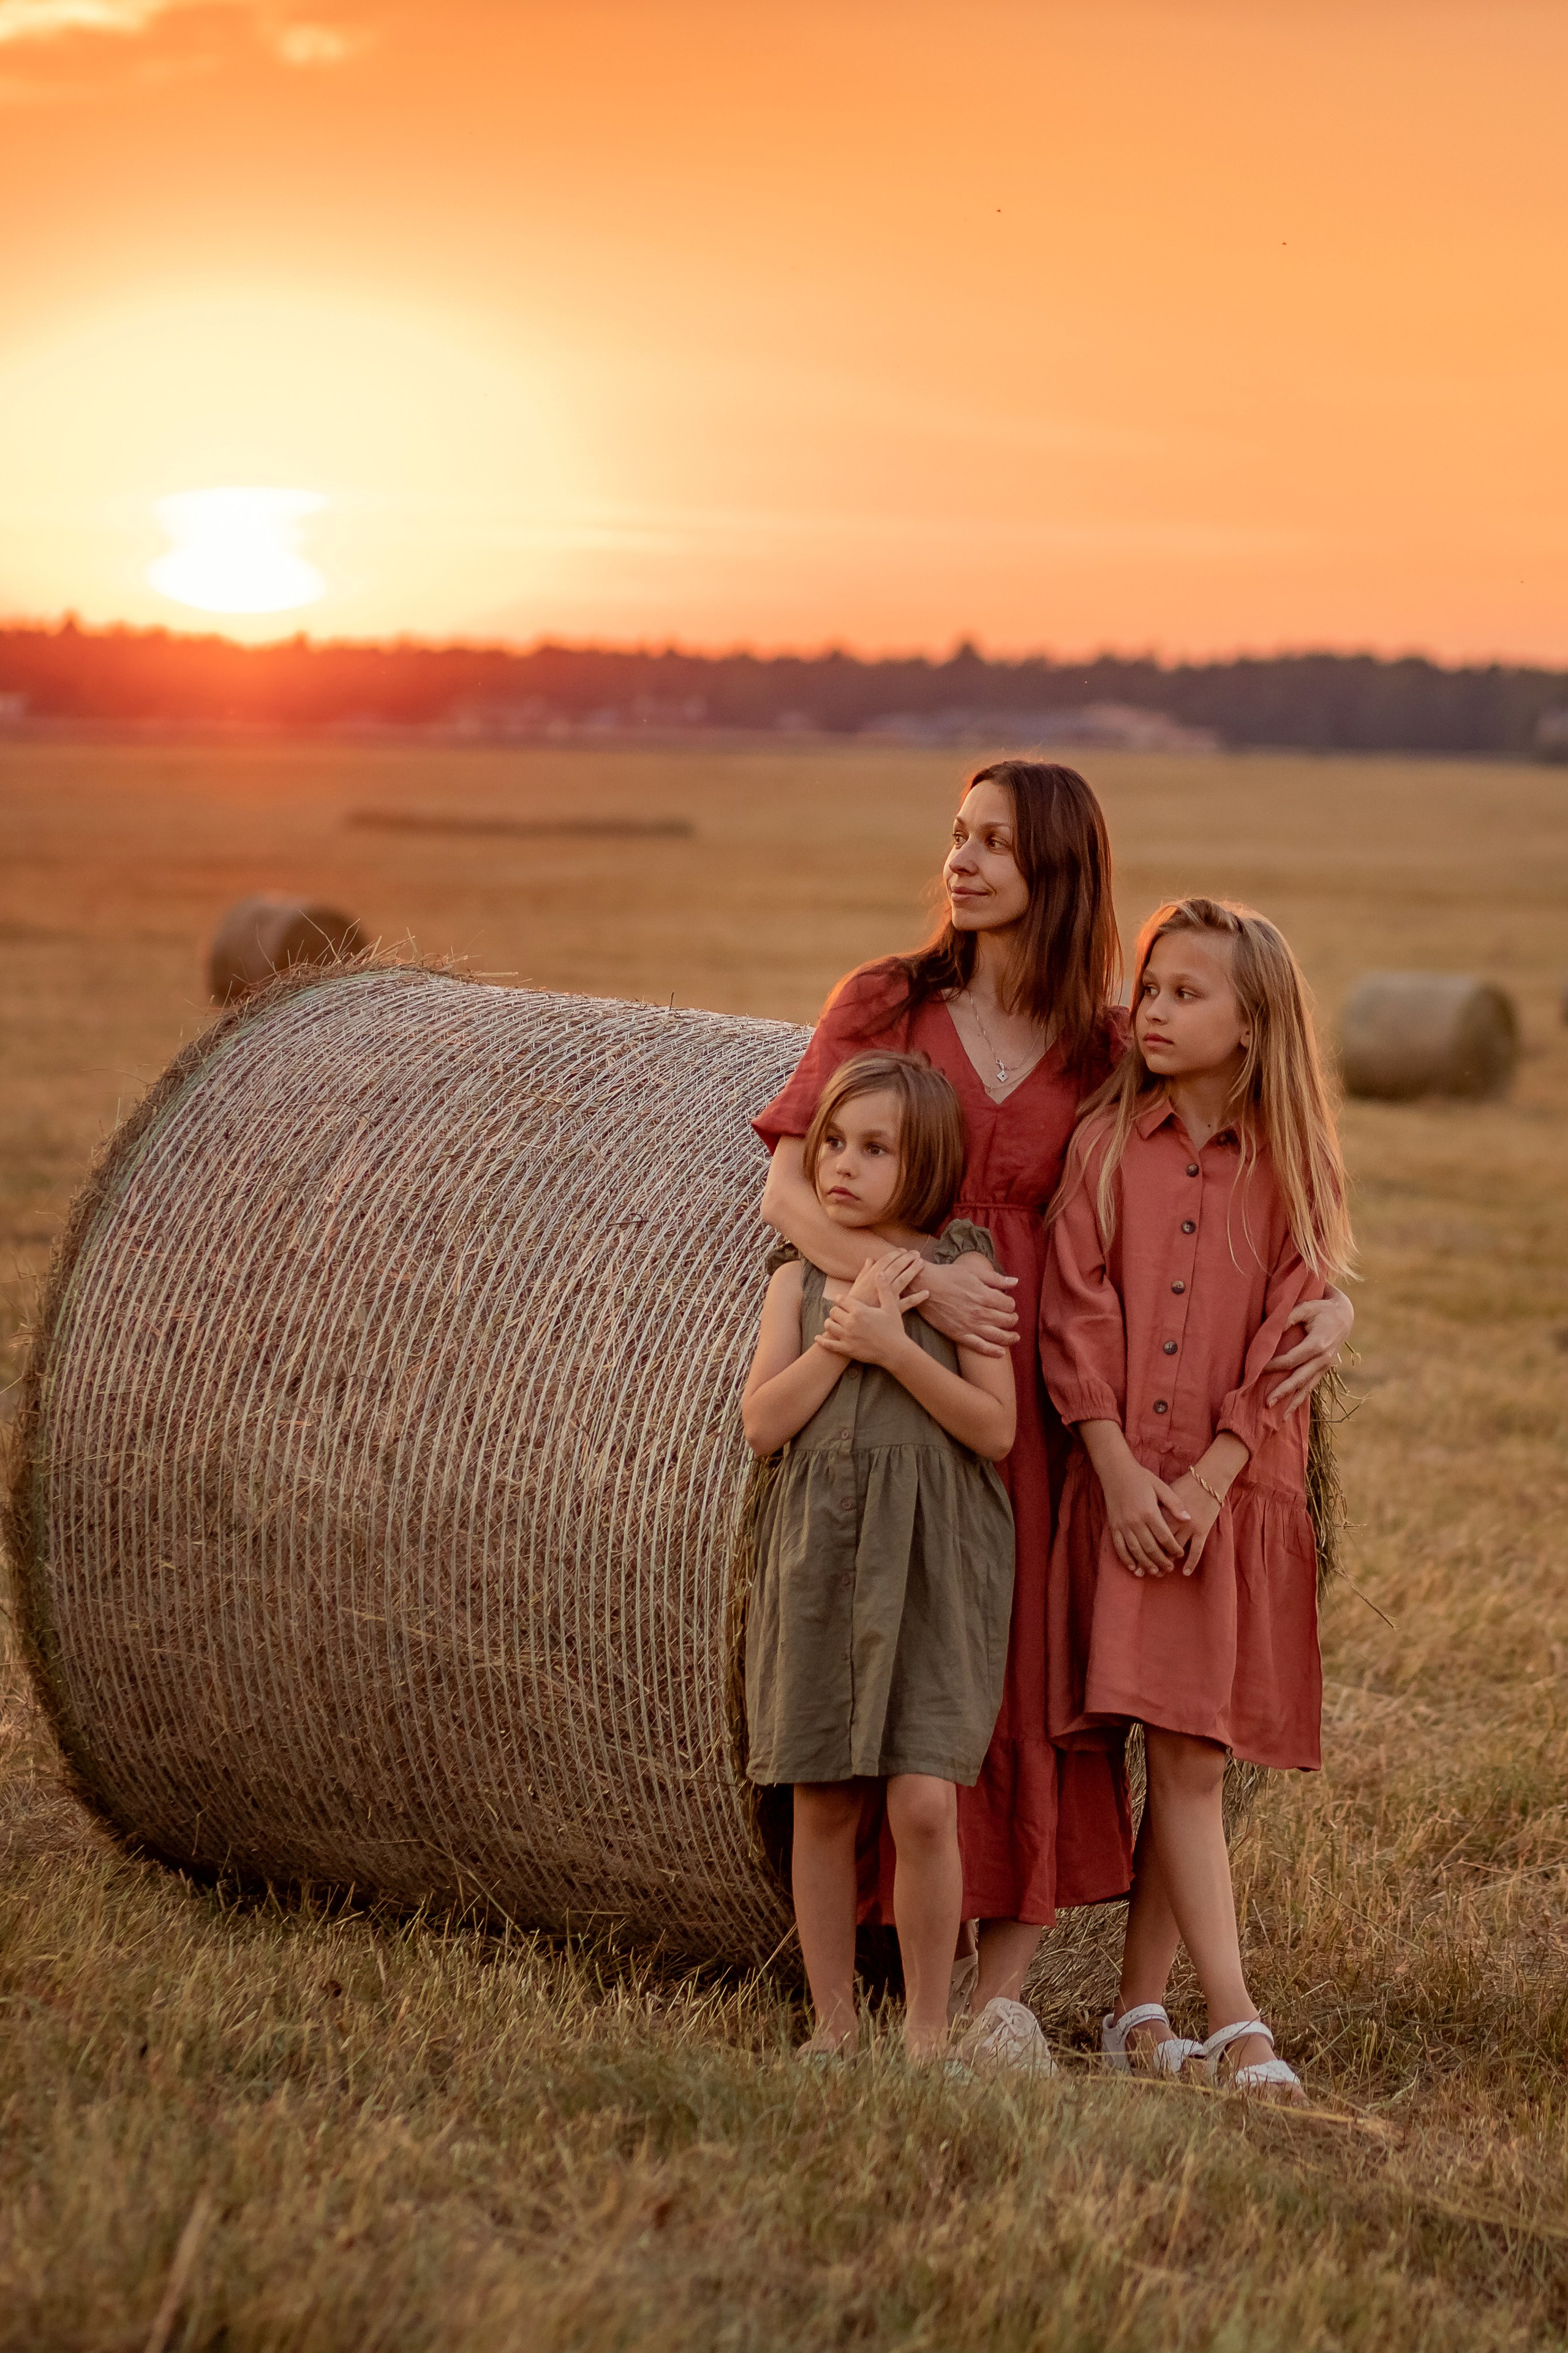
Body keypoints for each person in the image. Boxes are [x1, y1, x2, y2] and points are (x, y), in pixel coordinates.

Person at [754, 760, 1355, 2075]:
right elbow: (791, 1197)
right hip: (896, 1356)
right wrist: (910, 1280)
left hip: (1048, 1390)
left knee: (1025, 1667)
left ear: (1058, 871)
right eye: (956, 837)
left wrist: (1332, 1309)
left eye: (995, 846)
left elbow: (1236, 1178)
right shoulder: (884, 1001)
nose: (960, 863)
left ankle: (996, 2002)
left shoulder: (1102, 1040)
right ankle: (867, 1983)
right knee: (880, 1654)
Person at [1041, 896, 1354, 2101]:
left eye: (1185, 993)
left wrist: (1213, 1477)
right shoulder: (1107, 1142)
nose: (1153, 1010)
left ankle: (1148, 2006)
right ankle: (1231, 2023)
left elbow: (1291, 1330)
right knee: (1177, 1751)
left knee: (1192, 1751)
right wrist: (1119, 1471)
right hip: (1124, 1485)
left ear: (1251, 1021)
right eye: (1149, 986)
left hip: (1230, 1493)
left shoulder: (1290, 1165)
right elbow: (1073, 1312)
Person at [742, 1051, 1017, 2059]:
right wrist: (839, 1344)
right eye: (833, 1146)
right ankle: (833, 2023)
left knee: (923, 1799)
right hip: (822, 1549)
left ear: (929, 1161)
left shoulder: (966, 1269)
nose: (844, 1167)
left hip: (935, 1561)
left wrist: (900, 1347)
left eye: (875, 1148)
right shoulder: (797, 1280)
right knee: (820, 1791)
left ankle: (930, 2032)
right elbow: (763, 1422)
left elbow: (996, 1429)